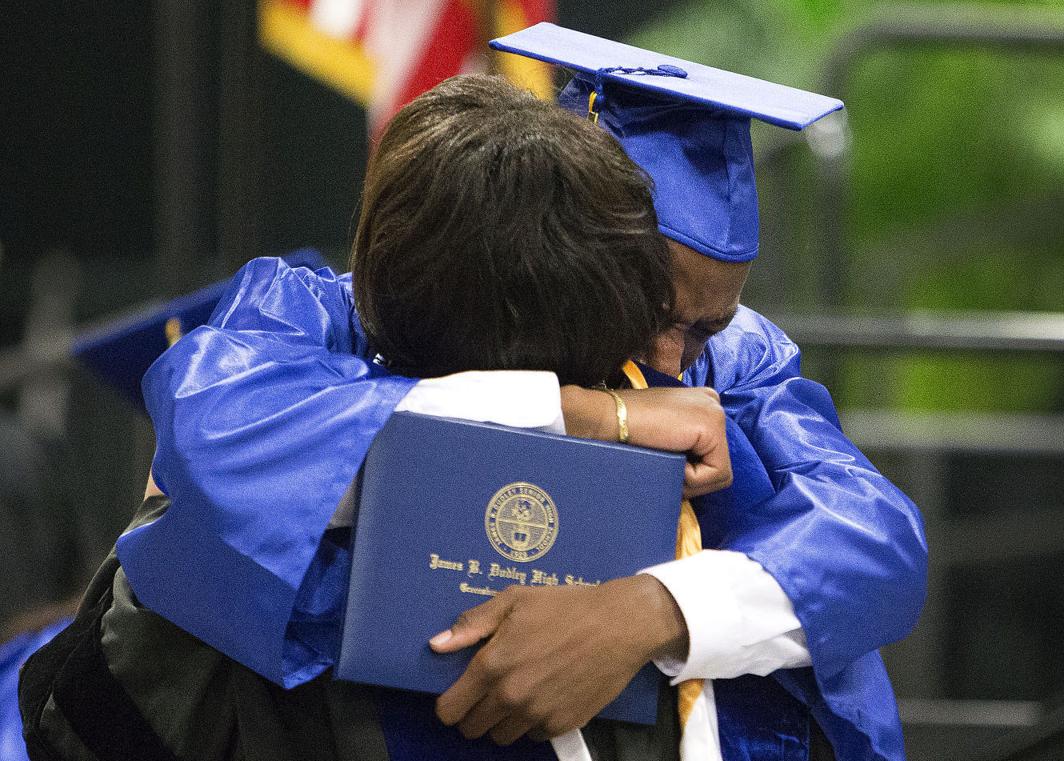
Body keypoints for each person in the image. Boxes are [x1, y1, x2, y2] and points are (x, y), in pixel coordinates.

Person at [36, 27, 927, 761]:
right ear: (570, 241)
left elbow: (869, 538)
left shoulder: (736, 362)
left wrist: (643, 613)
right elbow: (224, 439)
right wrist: (586, 414)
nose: (669, 355)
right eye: (647, 305)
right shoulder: (328, 313)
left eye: (703, 326)